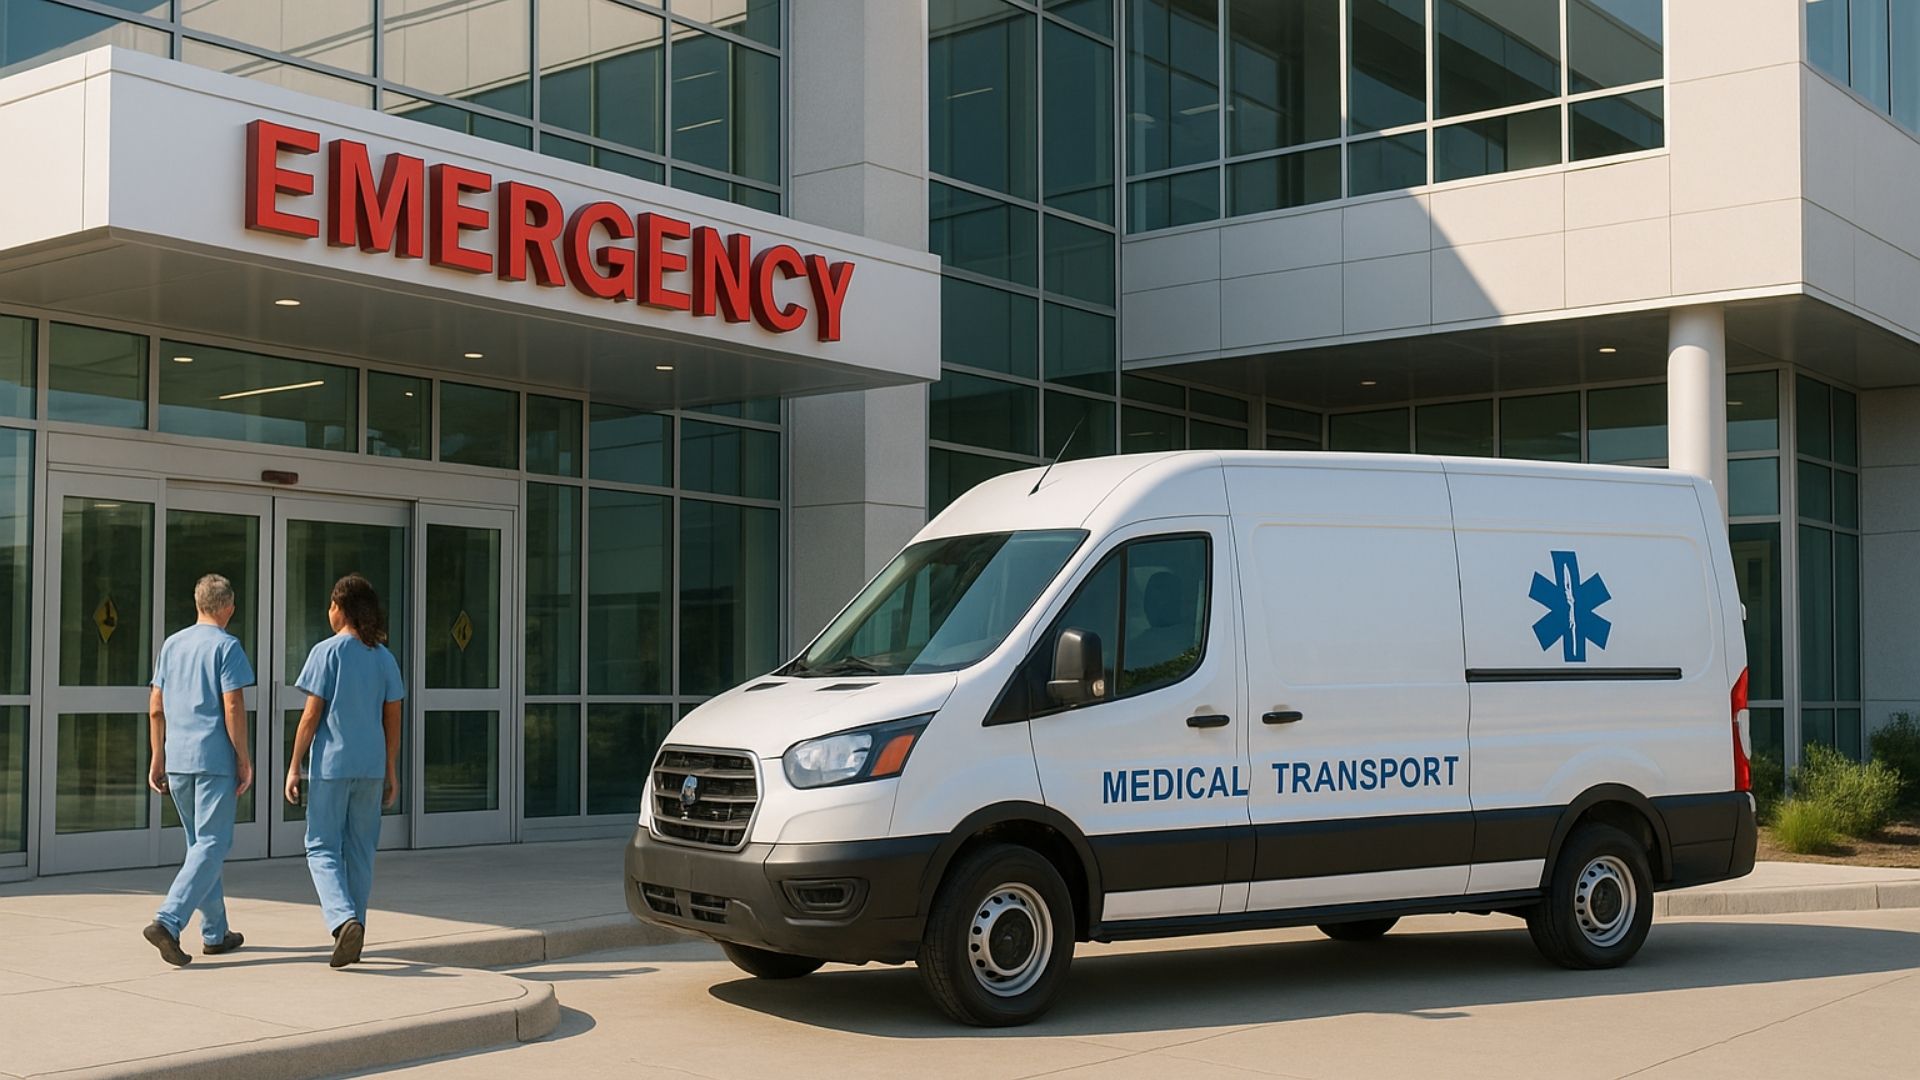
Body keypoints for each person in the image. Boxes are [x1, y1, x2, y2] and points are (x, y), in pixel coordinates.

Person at [285, 573, 405, 969]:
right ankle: (356, 929)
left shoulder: (327, 652)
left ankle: (342, 919)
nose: (329, 612)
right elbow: (393, 719)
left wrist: (294, 765)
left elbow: (311, 716)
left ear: (341, 608)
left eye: (331, 605)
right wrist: (391, 769)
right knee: (360, 851)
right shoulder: (384, 657)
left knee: (320, 846)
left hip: (331, 767)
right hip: (370, 766)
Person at [143, 574, 255, 967]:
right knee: (214, 843)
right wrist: (243, 757)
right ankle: (169, 920)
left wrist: (158, 756)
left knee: (199, 847)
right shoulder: (228, 646)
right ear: (229, 607)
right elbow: (233, 706)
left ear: (197, 603)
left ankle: (215, 932)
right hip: (213, 760)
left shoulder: (172, 645)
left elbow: (155, 706)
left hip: (178, 759)